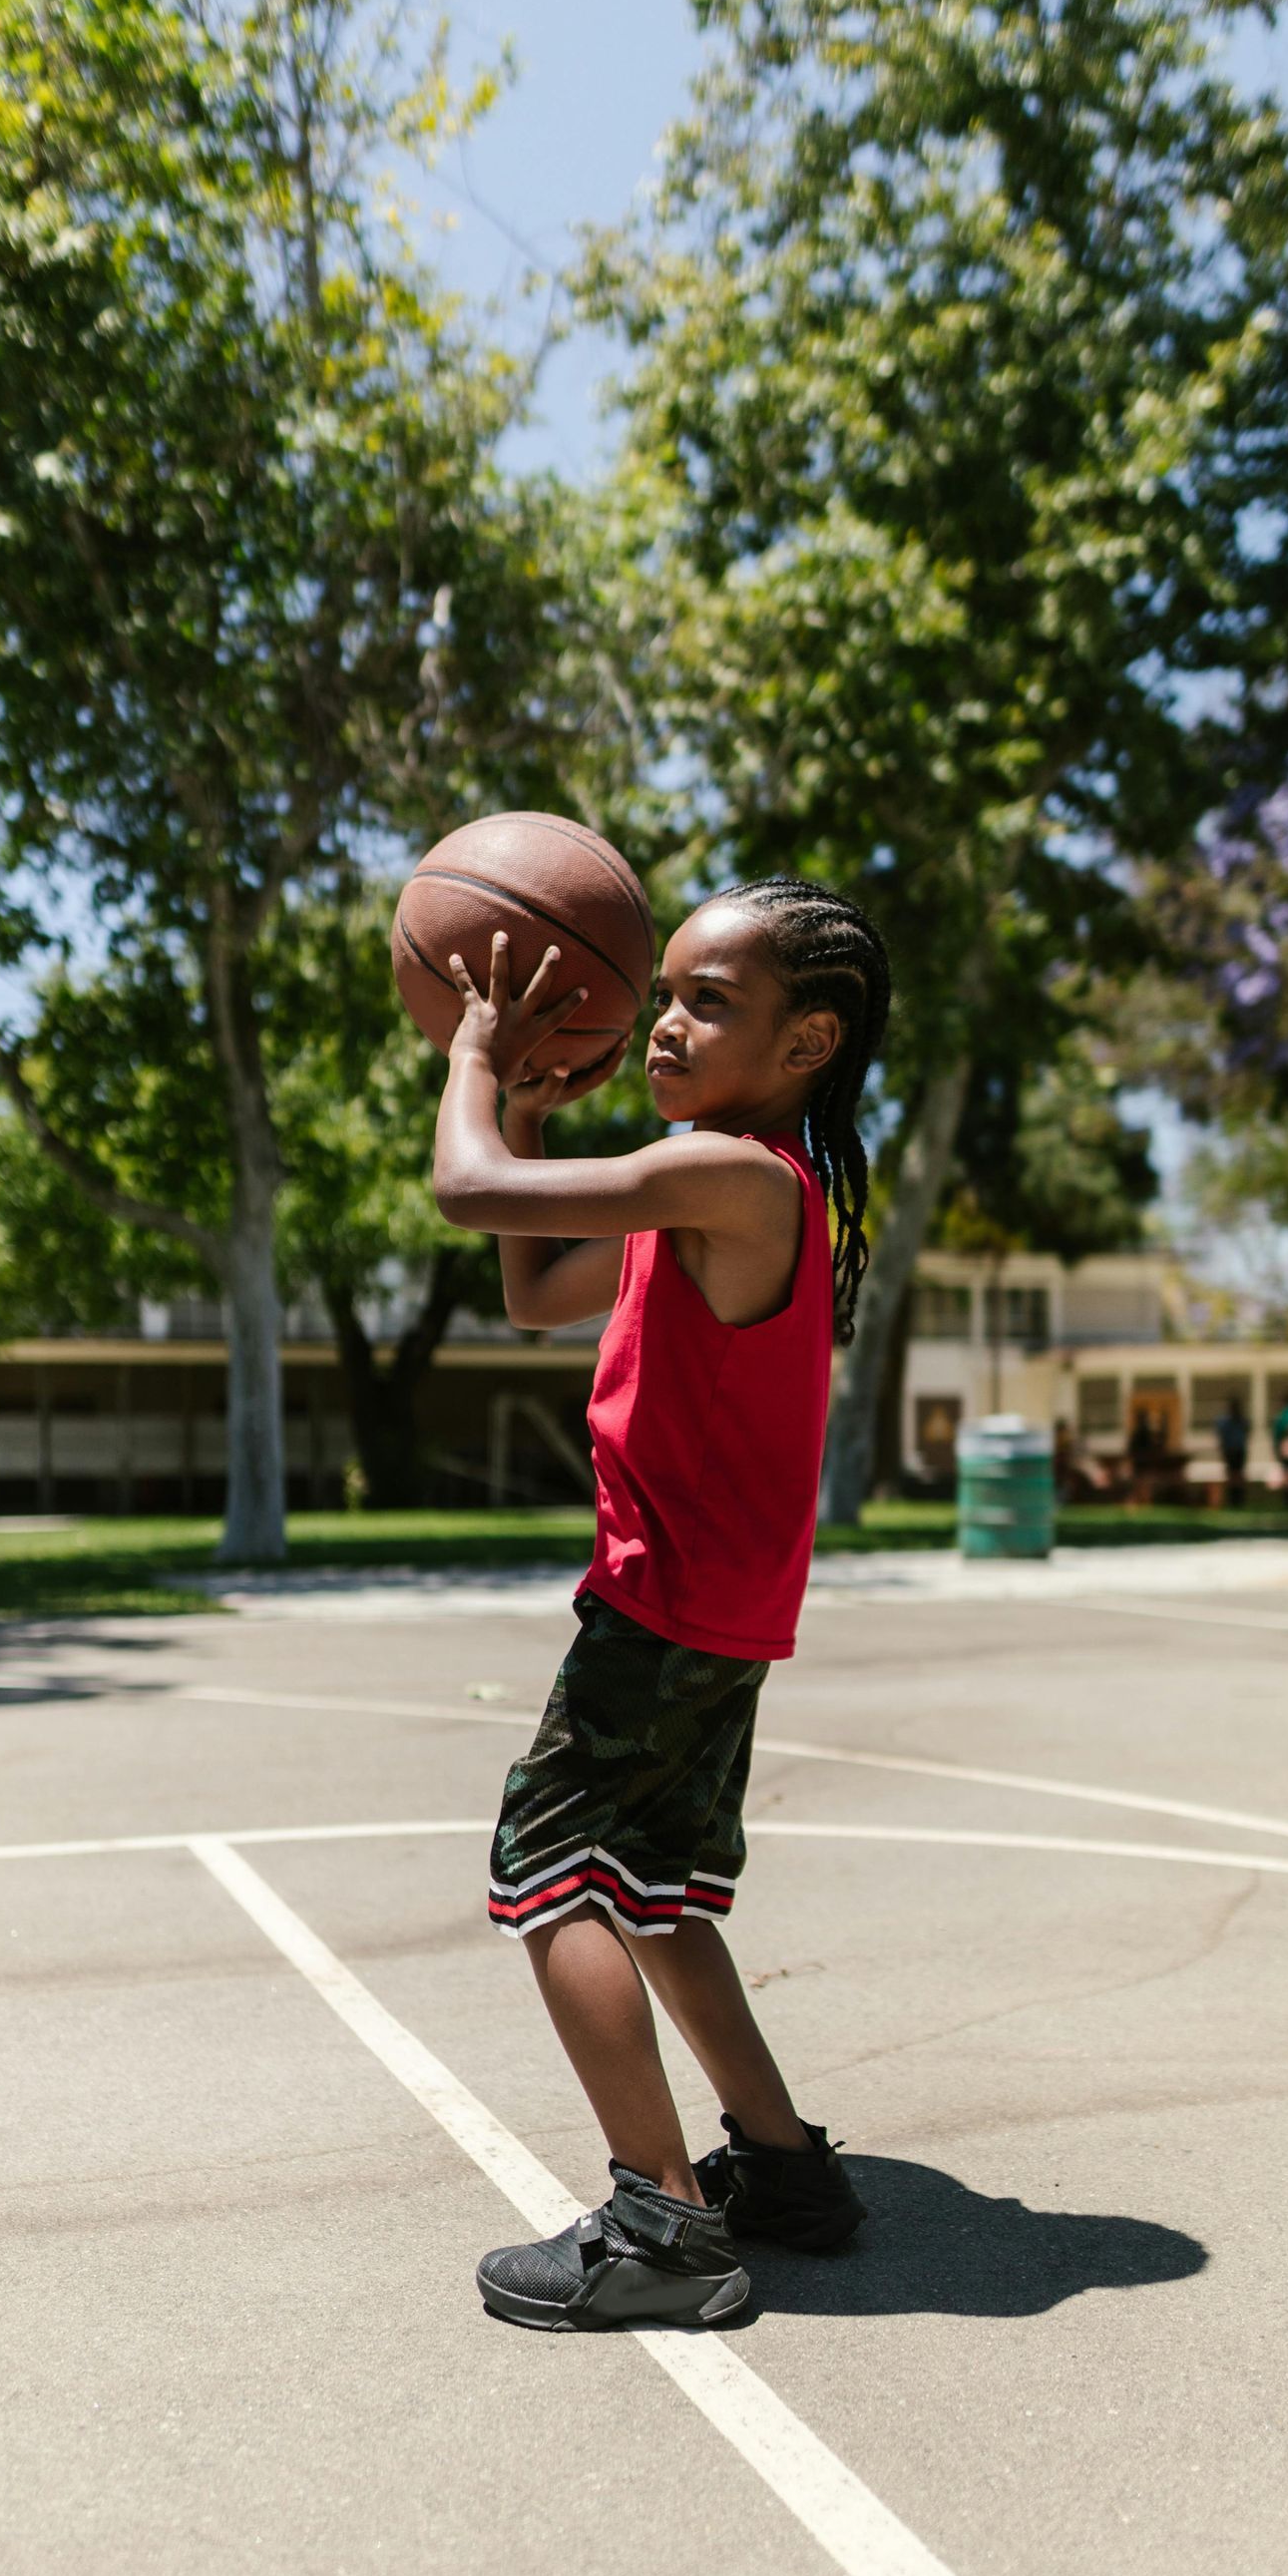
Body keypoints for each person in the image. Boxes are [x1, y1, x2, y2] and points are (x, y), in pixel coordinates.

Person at [432, 876, 891, 2332]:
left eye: (711, 1001)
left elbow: (464, 1194)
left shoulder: (735, 1178)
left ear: (809, 1042)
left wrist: (473, 1062)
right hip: (718, 1603)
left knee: (548, 1873)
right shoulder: (726, 1178)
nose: (667, 1021)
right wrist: (539, 1108)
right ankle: (781, 2166)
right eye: (669, 990)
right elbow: (531, 1288)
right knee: (659, 1890)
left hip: (667, 1599)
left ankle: (660, 2221)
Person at [1216, 1395, 1250, 1509]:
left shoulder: (1238, 1421)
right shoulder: (1231, 1421)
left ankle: (1237, 1499)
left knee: (1236, 1475)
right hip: (1233, 1450)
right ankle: (1235, 1499)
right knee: (1234, 1475)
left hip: (1235, 1450)